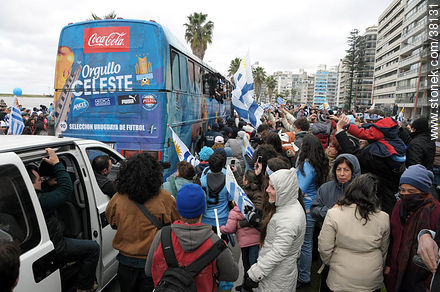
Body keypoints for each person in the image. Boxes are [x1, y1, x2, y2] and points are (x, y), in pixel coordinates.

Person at [26, 148, 99, 292]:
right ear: (30, 184)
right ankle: (84, 288)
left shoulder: (24, 197)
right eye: (39, 180)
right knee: (94, 248)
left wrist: (48, 180)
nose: (42, 181)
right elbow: (66, 189)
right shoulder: (40, 201)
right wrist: (58, 164)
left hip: (52, 238)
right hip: (56, 246)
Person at [105, 153, 180, 292]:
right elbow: (176, 224)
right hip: (154, 261)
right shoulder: (164, 198)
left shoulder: (118, 198)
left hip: (125, 262)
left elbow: (113, 222)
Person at [146, 184, 239, 291]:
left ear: (178, 209)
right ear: (203, 209)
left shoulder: (162, 236)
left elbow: (149, 270)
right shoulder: (215, 243)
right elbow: (232, 275)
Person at [318, 174, 390, 292]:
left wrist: (333, 262)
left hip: (340, 278)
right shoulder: (384, 218)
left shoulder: (334, 214)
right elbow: (384, 250)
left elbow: (324, 247)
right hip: (370, 277)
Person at [242, 168, 306, 291]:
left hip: (276, 278)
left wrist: (255, 274)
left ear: (284, 190)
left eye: (272, 187)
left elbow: (278, 252)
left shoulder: (289, 219)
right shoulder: (289, 205)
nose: (267, 190)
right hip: (277, 273)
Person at [385, 164, 440, 292]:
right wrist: (388, 264)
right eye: (403, 190)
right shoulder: (399, 206)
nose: (405, 194)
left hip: (421, 278)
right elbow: (392, 237)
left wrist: (429, 283)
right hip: (396, 271)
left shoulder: (435, 211)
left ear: (423, 191)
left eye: (411, 191)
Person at [296, 134, 329, 287]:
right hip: (314, 207)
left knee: (305, 245)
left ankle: (303, 276)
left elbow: (299, 189)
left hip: (306, 210)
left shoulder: (307, 166)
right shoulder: (319, 163)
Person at [311, 153, 361, 224]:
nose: (342, 174)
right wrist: (330, 211)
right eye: (338, 169)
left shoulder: (361, 190)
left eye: (346, 170)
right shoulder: (325, 188)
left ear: (353, 172)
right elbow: (314, 211)